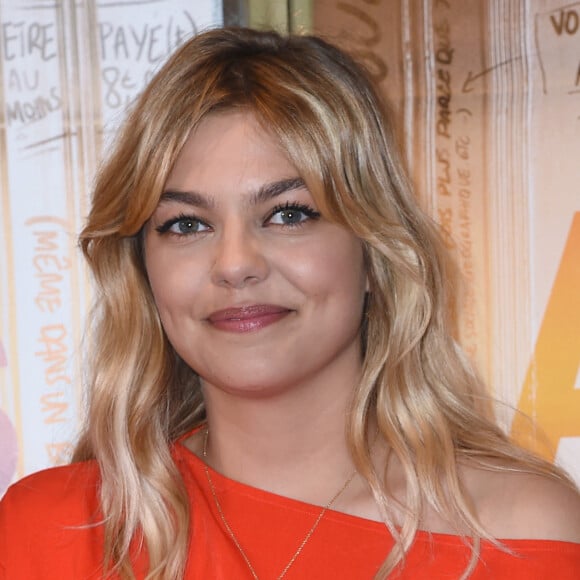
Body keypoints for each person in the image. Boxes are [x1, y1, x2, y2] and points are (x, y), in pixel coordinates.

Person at [0, 26, 579, 580]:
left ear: (374, 253)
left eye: (289, 214)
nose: (234, 264)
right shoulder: (52, 530)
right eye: (186, 224)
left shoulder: (522, 534)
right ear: (143, 271)